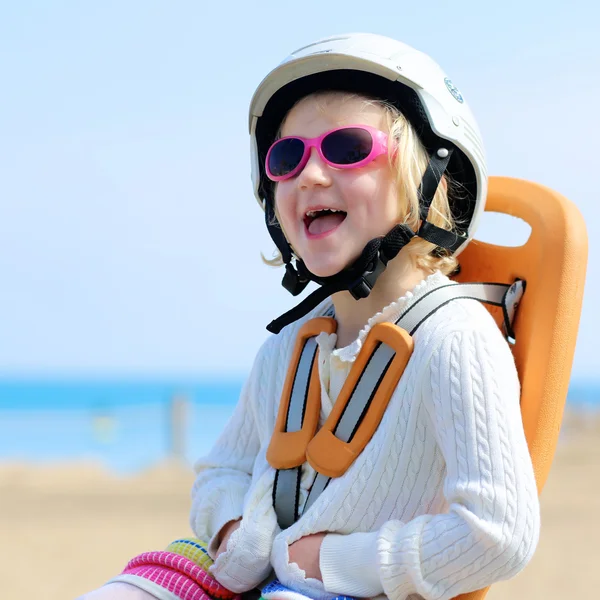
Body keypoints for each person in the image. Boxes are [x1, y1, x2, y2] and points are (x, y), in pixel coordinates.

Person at [82, 33, 540, 600]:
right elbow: (220, 472)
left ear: (432, 180)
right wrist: (230, 528)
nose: (311, 175)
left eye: (348, 148)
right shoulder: (289, 346)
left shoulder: (456, 340)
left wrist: (334, 559)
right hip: (256, 575)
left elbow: (499, 535)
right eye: (287, 156)